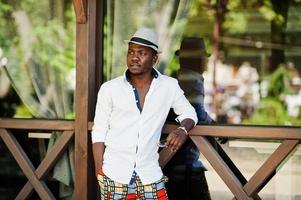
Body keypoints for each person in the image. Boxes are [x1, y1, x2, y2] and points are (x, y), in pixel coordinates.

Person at [91, 27, 198, 200]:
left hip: (150, 175)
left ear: (154, 59)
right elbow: (99, 131)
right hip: (113, 174)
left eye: (142, 53)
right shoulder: (109, 89)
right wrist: (99, 172)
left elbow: (190, 113)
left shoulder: (168, 86)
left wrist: (182, 130)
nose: (134, 57)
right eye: (131, 52)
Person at [164, 37, 213, 200]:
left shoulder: (177, 78)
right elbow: (197, 115)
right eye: (204, 57)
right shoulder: (191, 79)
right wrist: (213, 125)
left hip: (169, 161)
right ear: (199, 59)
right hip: (185, 166)